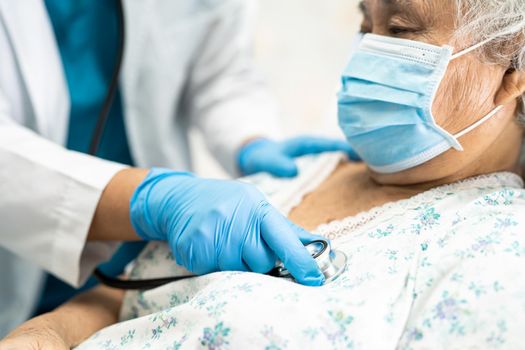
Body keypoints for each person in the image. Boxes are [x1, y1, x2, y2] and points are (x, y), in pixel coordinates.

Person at [3, 0, 525, 348]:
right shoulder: (300, 178)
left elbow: (217, 70)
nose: (367, 49)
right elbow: (118, 294)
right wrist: (41, 336)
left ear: (510, 75)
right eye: (365, 24)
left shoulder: (497, 256)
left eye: (400, 30)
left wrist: (249, 140)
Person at [0, 0, 358, 337]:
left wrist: (251, 139)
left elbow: (219, 71)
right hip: (19, 253)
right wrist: (152, 199)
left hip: (153, 260)